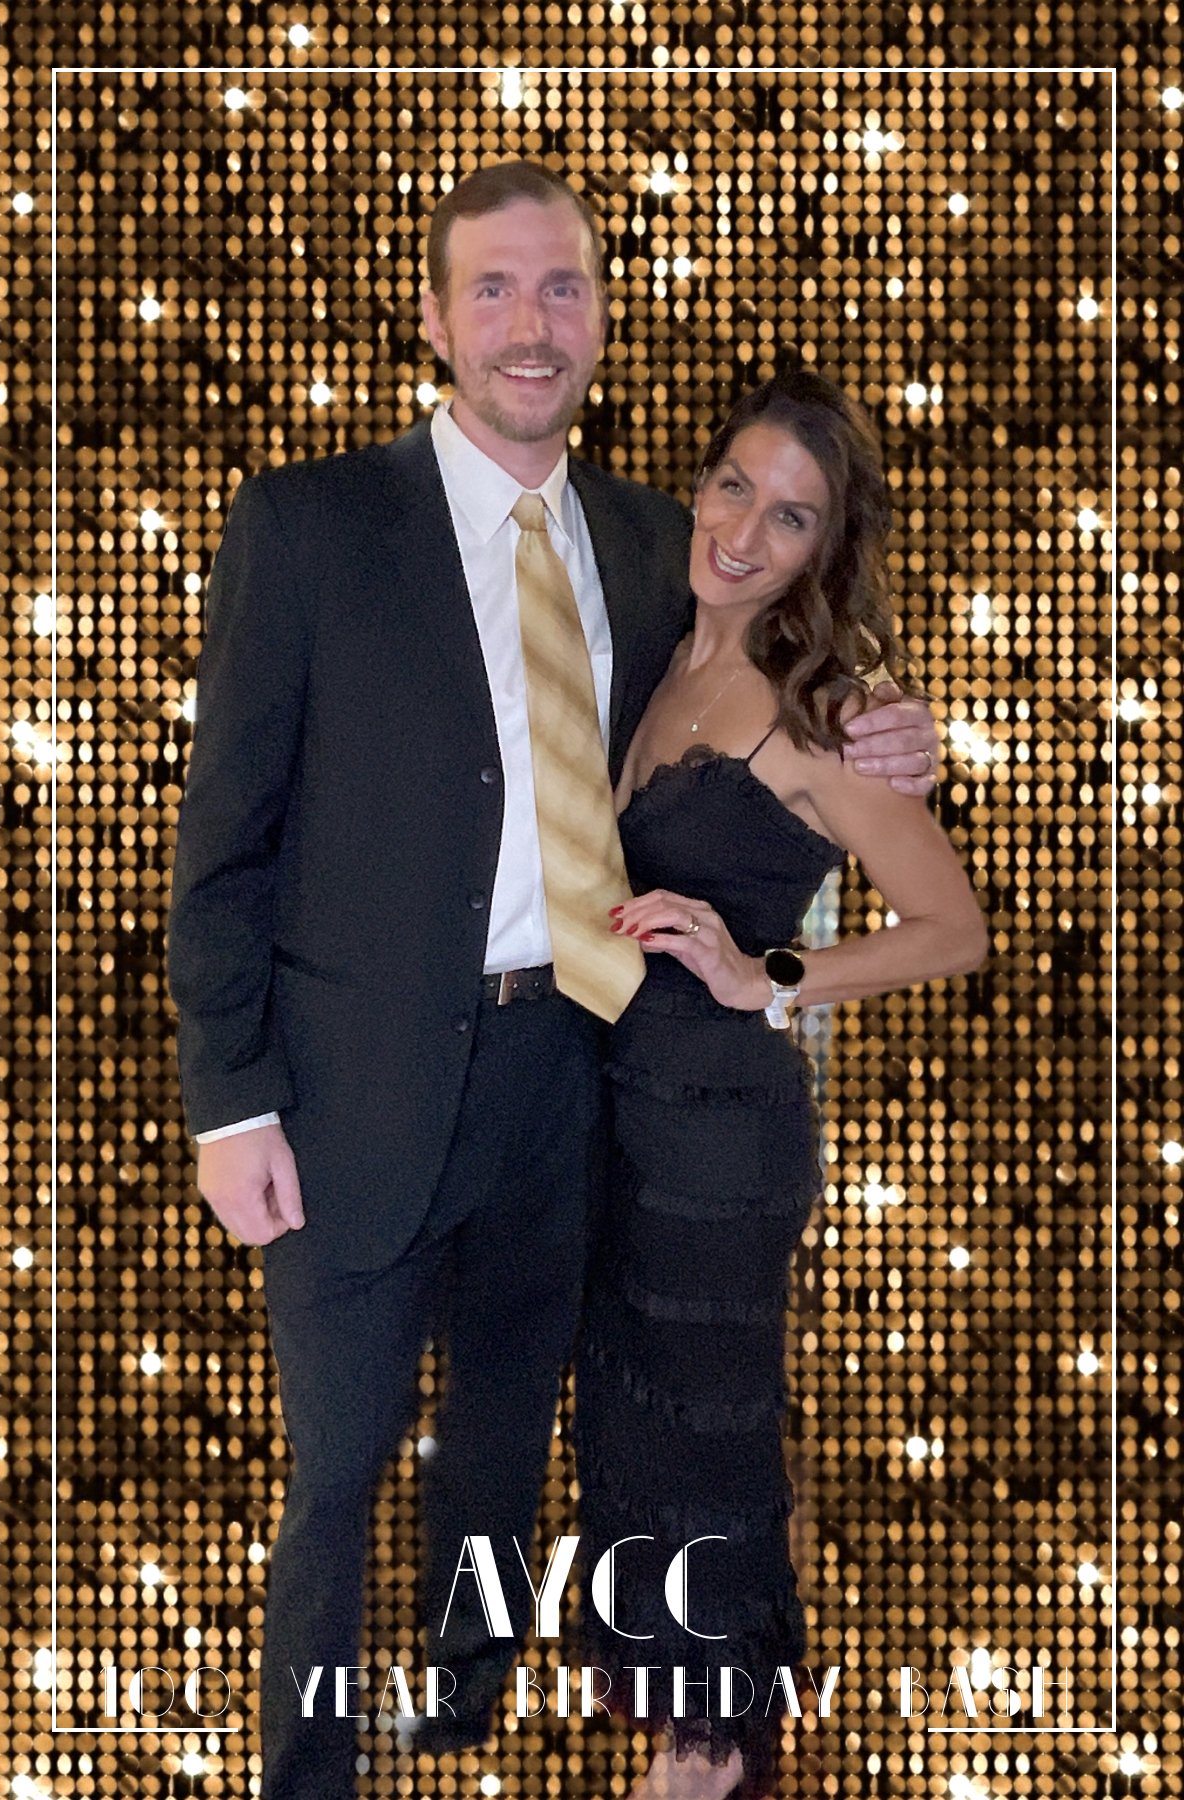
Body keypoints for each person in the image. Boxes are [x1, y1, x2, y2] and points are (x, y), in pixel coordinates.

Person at [165, 161, 940, 1800]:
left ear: (598, 318)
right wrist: (232, 1107)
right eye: (496, 288)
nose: (533, 323)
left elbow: (772, 701)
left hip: (577, 1078)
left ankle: (464, 1709)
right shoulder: (307, 525)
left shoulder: (663, 542)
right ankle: (307, 1771)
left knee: (508, 1437)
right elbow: (224, 841)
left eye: (564, 287)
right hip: (352, 1084)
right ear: (437, 318)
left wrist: (895, 731)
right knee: (340, 1464)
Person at [571, 366, 989, 1800]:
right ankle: (691, 1743)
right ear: (698, 486)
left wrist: (774, 976)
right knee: (633, 1433)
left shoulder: (826, 710)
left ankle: (707, 1757)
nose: (745, 532)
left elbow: (954, 929)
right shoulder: (654, 648)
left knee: (707, 1443)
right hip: (617, 1119)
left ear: (826, 548)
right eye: (734, 487)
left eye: (792, 517)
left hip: (721, 1143)